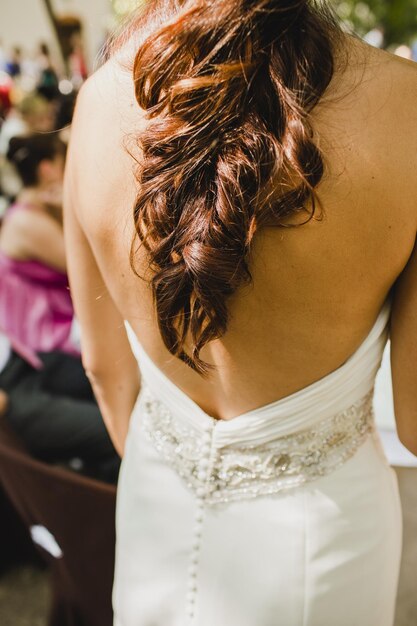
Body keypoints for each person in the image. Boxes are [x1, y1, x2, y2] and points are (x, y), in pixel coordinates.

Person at [63, 0, 417, 624]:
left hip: (155, 508)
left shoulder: (96, 102)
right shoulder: (407, 108)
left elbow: (104, 368)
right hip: (328, 537)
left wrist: (179, 467)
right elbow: (415, 420)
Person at [0, 133, 120, 483]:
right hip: (51, 344)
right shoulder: (24, 221)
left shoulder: (31, 213)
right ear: (49, 168)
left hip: (35, 353)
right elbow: (90, 266)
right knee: (114, 414)